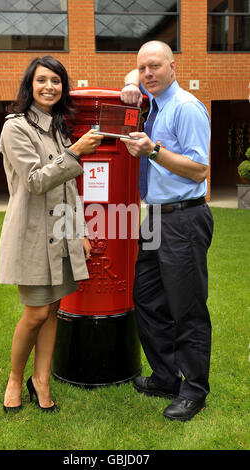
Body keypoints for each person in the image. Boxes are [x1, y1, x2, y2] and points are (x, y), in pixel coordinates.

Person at [0, 56, 103, 413]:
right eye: (42, 80)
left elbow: (68, 190)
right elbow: (35, 182)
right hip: (31, 233)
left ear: (63, 88)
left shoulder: (57, 128)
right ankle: (15, 377)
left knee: (53, 310)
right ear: (30, 85)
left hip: (61, 233)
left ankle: (40, 381)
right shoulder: (15, 127)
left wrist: (82, 232)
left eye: (56, 81)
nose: (49, 87)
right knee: (35, 313)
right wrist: (74, 152)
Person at [120, 41, 214, 422]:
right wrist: (130, 80)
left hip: (184, 218)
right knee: (146, 297)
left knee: (186, 307)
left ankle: (194, 390)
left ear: (173, 67)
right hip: (156, 217)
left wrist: (153, 150)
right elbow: (136, 79)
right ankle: (165, 376)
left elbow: (199, 171)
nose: (147, 74)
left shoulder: (186, 108)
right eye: (142, 69)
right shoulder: (153, 102)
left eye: (155, 67)